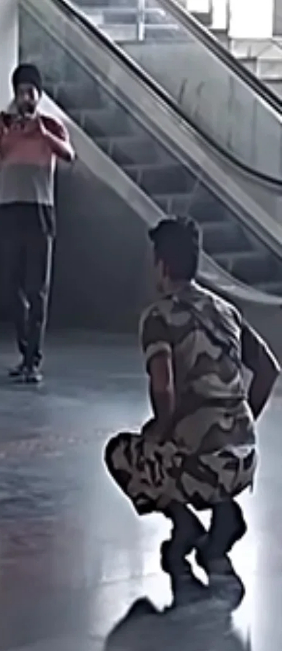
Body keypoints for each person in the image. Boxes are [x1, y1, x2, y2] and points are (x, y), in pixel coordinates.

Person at [105, 217, 278, 579]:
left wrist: (161, 431)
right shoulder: (225, 311)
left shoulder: (158, 316)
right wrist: (240, 424)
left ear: (162, 264)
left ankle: (184, 521)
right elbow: (268, 371)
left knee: (122, 452)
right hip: (244, 461)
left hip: (205, 468)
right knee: (193, 441)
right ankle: (224, 510)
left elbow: (163, 386)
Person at [0, 63, 73, 383]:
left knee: (38, 288)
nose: (25, 98)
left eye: (31, 92)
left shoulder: (52, 126)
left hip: (40, 212)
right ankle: (24, 348)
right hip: (10, 211)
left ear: (39, 96)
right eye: (20, 92)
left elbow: (69, 155)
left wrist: (43, 134)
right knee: (12, 287)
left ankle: (34, 359)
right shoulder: (5, 126)